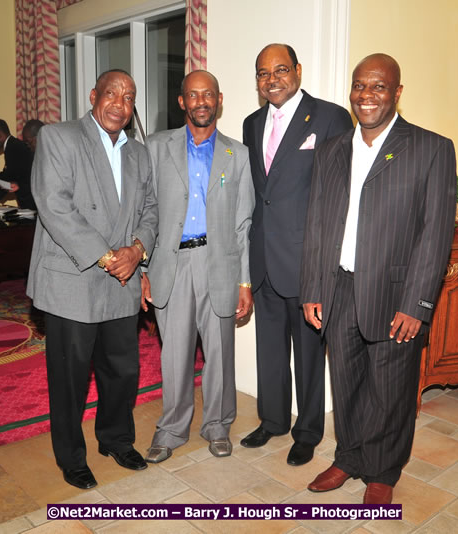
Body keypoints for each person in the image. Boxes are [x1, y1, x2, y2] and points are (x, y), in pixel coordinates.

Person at [300, 54, 457, 504]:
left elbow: (436, 233)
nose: (366, 96)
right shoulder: (332, 149)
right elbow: (318, 223)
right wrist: (312, 287)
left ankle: (383, 470)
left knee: (390, 388)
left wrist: (418, 303)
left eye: (378, 87)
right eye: (359, 86)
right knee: (345, 380)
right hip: (338, 287)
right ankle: (349, 456)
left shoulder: (431, 148)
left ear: (397, 93)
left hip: (396, 292)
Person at [26, 69, 158, 490]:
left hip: (122, 278)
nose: (120, 103)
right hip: (75, 277)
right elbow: (53, 205)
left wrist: (137, 251)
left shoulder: (139, 153)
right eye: (112, 94)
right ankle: (71, 456)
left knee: (122, 370)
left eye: (129, 96)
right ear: (93, 96)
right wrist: (108, 257)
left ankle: (116, 439)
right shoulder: (59, 137)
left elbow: (152, 209)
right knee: (70, 376)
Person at [240, 44, 352, 466]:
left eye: (281, 70)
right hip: (264, 260)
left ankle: (307, 431)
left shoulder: (330, 117)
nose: (272, 79)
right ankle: (272, 420)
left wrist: (325, 269)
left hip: (307, 264)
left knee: (308, 354)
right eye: (263, 73)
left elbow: (339, 197)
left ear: (298, 71)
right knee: (269, 348)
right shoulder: (251, 123)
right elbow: (259, 195)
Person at [142, 70, 254, 463]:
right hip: (170, 264)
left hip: (219, 263)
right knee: (174, 354)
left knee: (220, 351)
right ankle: (172, 429)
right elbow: (146, 214)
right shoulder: (156, 147)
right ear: (182, 102)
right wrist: (144, 271)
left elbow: (243, 222)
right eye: (193, 95)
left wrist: (244, 281)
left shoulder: (237, 154)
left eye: (208, 95)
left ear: (219, 100)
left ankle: (218, 425)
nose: (201, 102)